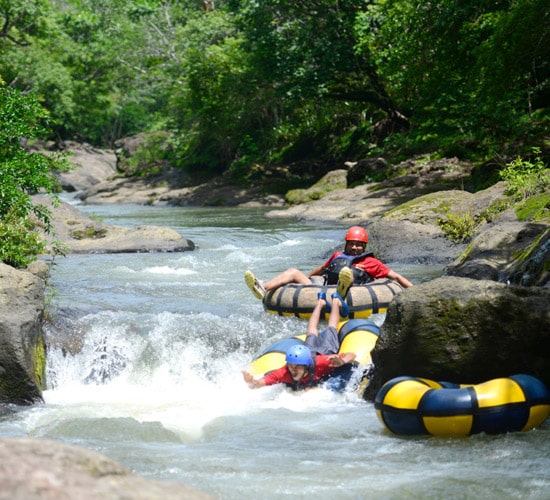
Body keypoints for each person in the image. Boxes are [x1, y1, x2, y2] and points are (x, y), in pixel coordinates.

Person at [242, 280, 357, 391]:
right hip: (309, 350)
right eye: (291, 365)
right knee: (311, 331)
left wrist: (342, 361)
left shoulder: (322, 362)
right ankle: (320, 303)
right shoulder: (285, 372)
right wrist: (252, 382)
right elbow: (259, 383)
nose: (293, 370)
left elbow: (352, 355)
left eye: (297, 366)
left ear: (306, 366)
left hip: (326, 351)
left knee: (331, 328)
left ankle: (336, 301)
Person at [244, 225, 412, 300]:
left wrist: (413, 290)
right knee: (293, 271)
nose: (355, 247)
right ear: (346, 244)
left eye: (359, 245)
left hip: (351, 294)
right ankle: (263, 287)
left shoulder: (371, 262)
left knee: (349, 273)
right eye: (352, 244)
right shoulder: (337, 255)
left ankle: (343, 286)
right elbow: (322, 269)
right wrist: (307, 279)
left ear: (364, 247)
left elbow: (395, 276)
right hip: (324, 290)